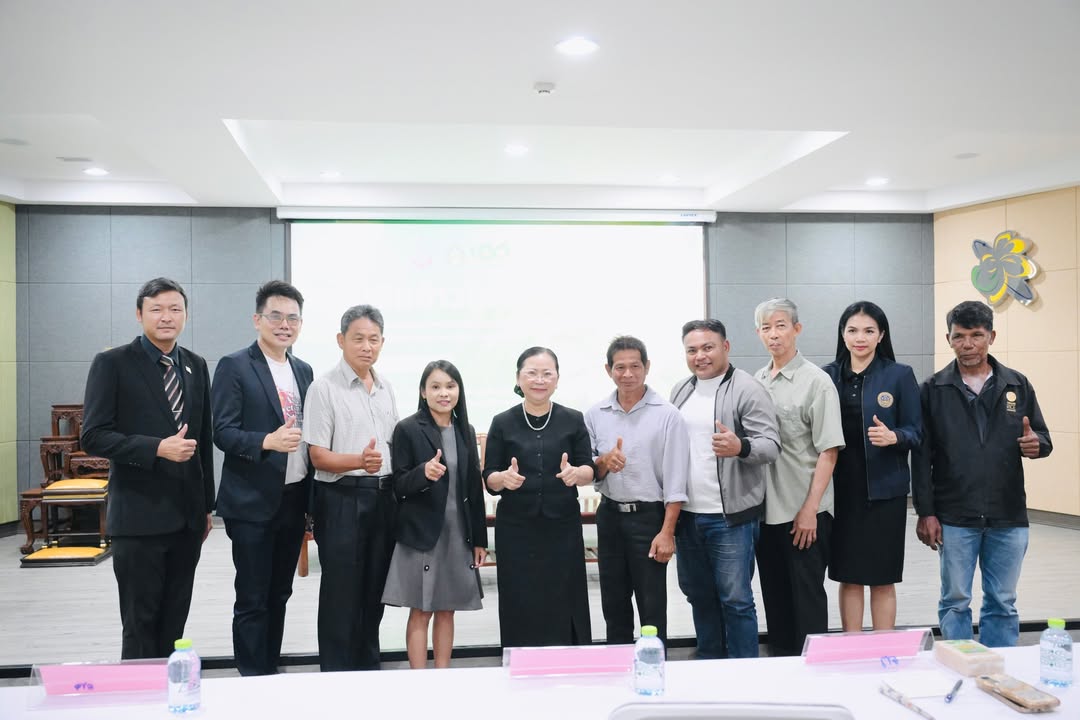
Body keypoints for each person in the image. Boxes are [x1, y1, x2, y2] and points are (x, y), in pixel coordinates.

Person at [81, 277, 214, 660]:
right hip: (138, 518)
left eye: (175, 309)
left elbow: (202, 442)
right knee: (140, 623)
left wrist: (206, 506)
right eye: (156, 309)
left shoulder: (195, 365)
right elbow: (94, 436)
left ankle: (170, 686)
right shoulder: (113, 363)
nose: (166, 317)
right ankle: (138, 691)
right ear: (139, 315)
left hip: (187, 520)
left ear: (185, 315)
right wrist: (156, 448)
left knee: (175, 622)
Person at [912, 300, 1052, 647]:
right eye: (959, 336)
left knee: (1002, 602)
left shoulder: (1017, 384)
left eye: (976, 335)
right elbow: (921, 457)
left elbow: (1042, 438)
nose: (968, 344)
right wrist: (926, 512)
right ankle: (959, 666)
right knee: (955, 600)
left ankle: (999, 669)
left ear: (992, 336)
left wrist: (1037, 444)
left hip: (1008, 514)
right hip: (955, 516)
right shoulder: (932, 389)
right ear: (948, 339)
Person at [212, 280, 314, 675]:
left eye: (293, 318)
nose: (284, 324)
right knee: (253, 597)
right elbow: (222, 432)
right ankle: (252, 677)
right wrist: (266, 441)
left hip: (293, 498)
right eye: (276, 316)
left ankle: (270, 669)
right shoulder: (235, 365)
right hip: (251, 502)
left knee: (280, 592)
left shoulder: (303, 370)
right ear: (257, 320)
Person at [670, 319, 780, 658]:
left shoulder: (747, 388)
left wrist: (741, 447)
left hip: (730, 518)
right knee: (698, 595)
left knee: (735, 599)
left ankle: (744, 669)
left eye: (708, 347)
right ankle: (710, 661)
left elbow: (771, 445)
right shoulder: (681, 390)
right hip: (688, 516)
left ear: (725, 347)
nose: (700, 356)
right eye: (692, 350)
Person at [302, 304, 399, 671]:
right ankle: (336, 673)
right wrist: (359, 461)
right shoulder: (324, 388)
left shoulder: (386, 388)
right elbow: (317, 456)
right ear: (341, 340)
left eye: (374, 339)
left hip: (384, 499)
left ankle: (367, 669)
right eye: (358, 338)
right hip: (341, 499)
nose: (366, 346)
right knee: (341, 594)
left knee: (375, 592)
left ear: (383, 342)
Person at [483, 347, 595, 647]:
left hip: (562, 527)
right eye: (532, 373)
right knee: (519, 597)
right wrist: (503, 479)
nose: (539, 380)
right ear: (518, 378)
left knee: (564, 595)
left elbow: (589, 468)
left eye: (547, 373)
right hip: (516, 530)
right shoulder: (502, 422)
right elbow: (489, 476)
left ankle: (568, 658)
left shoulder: (573, 419)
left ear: (557, 379)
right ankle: (521, 659)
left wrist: (577, 474)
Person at [821, 301, 921, 632]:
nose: (860, 338)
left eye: (868, 331)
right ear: (842, 334)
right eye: (852, 330)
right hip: (841, 494)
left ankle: (883, 646)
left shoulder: (899, 375)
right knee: (848, 576)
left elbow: (917, 431)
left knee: (882, 577)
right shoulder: (827, 376)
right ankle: (852, 644)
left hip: (885, 492)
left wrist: (895, 436)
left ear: (881, 335)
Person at [753, 298, 845, 656]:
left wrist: (810, 510)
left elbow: (829, 450)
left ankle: (813, 671)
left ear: (796, 329)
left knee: (806, 601)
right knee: (775, 600)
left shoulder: (817, 382)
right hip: (766, 513)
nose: (774, 335)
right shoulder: (757, 381)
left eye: (780, 326)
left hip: (804, 513)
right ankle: (782, 669)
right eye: (766, 328)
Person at [382, 360, 488, 668]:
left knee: (447, 608)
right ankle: (419, 679)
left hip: (458, 533)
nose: (444, 393)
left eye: (450, 386)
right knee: (421, 609)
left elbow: (474, 489)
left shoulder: (465, 431)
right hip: (422, 533)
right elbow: (398, 485)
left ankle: (443, 675)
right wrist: (423, 473)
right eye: (436, 387)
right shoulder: (407, 429)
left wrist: (479, 540)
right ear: (423, 392)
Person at [585, 336, 689, 644]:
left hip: (649, 519)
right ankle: (617, 665)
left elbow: (676, 481)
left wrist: (667, 532)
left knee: (651, 604)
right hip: (609, 516)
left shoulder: (667, 414)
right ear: (608, 370)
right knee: (613, 603)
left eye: (635, 366)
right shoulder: (595, 414)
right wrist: (604, 461)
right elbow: (591, 469)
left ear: (647, 367)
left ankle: (654, 665)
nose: (627, 374)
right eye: (620, 367)